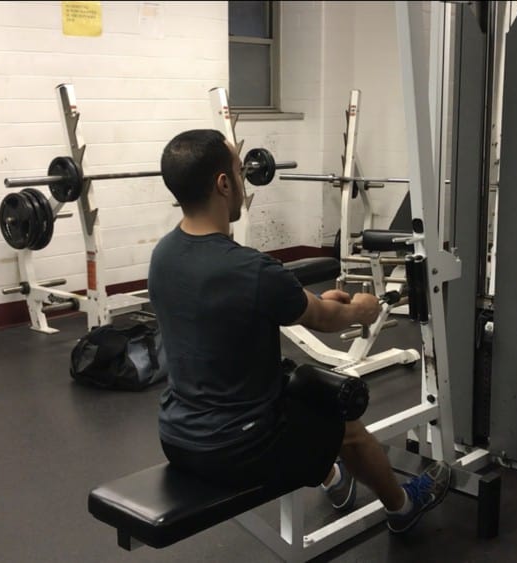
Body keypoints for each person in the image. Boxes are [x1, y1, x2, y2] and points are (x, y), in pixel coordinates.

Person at [148, 129, 451, 534]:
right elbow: (325, 320)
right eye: (239, 172)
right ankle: (402, 507)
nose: (242, 182)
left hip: (177, 437)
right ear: (223, 184)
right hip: (239, 448)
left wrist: (318, 303)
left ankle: (335, 481)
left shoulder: (162, 255)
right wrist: (361, 309)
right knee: (346, 428)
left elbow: (249, 310)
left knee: (295, 389)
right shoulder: (249, 269)